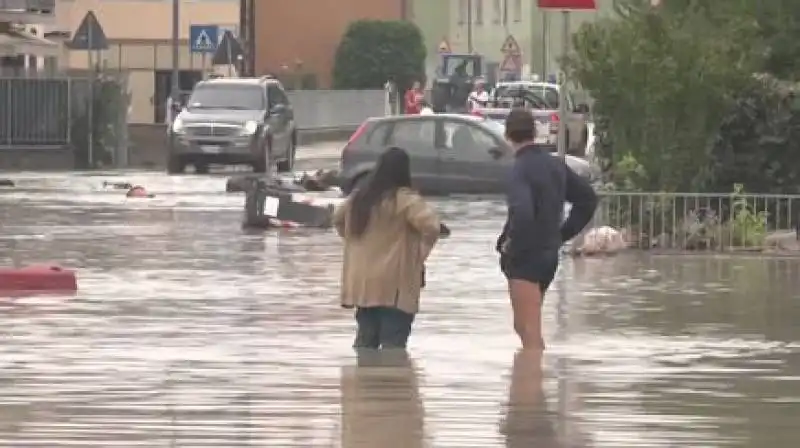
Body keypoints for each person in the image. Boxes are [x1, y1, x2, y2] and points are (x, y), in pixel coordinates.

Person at [497, 108, 598, 350]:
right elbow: (587, 200)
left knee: (528, 331)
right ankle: (528, 381)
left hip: (526, 258)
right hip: (548, 255)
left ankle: (532, 383)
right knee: (525, 326)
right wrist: (562, 234)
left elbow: (522, 213)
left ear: (507, 135)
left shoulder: (519, 170)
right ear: (534, 132)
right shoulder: (554, 165)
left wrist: (511, 248)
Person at [333, 147, 441, 350]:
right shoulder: (405, 200)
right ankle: (390, 381)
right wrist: (419, 253)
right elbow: (432, 226)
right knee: (394, 346)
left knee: (365, 342)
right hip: (395, 286)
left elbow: (337, 219)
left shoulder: (359, 198)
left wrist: (357, 245)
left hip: (363, 284)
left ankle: (362, 380)